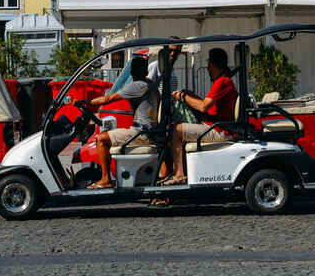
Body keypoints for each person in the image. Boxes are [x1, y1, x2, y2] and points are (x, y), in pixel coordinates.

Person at [163, 47, 238, 185]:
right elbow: (207, 103)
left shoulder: (222, 82)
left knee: (176, 130)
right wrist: (190, 95)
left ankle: (179, 175)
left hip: (219, 130)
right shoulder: (221, 81)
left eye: (209, 64)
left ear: (212, 64)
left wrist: (184, 97)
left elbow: (204, 106)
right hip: (214, 126)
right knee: (177, 128)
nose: (208, 68)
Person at [84, 56, 157, 189]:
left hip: (141, 132)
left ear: (132, 72)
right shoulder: (151, 84)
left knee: (101, 139)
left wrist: (85, 103)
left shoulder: (137, 86)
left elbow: (108, 98)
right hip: (149, 130)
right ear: (145, 71)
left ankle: (105, 179)